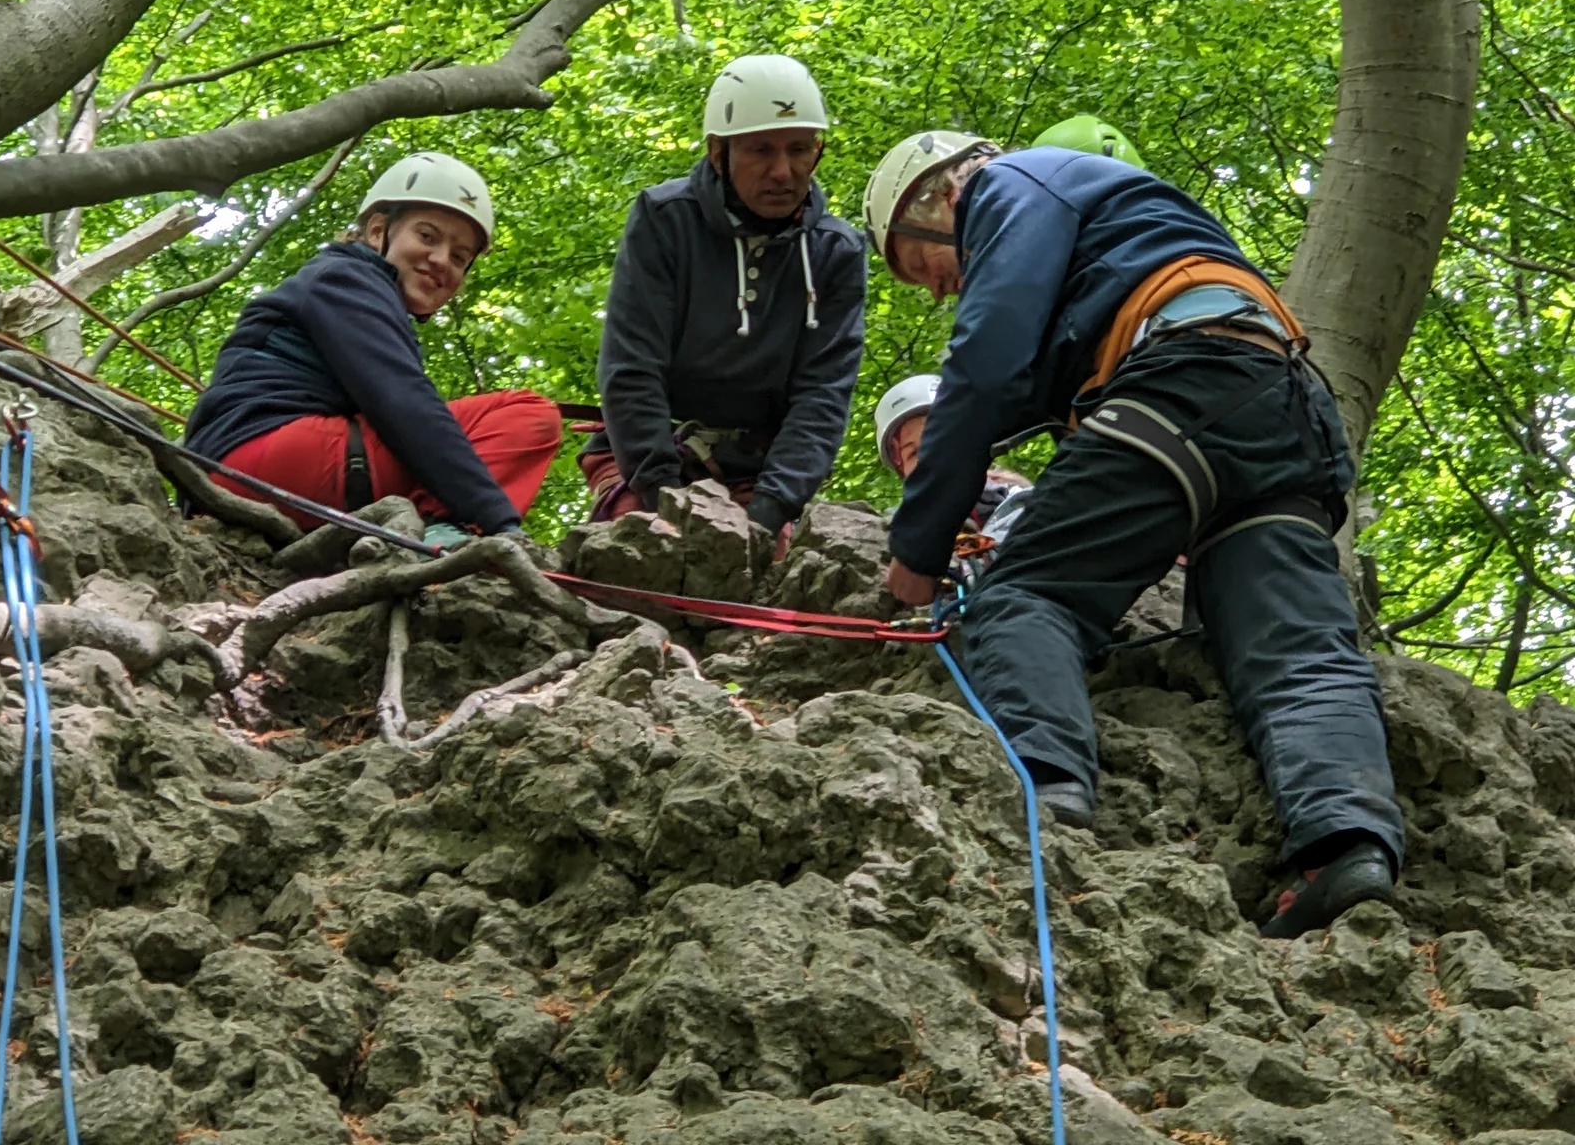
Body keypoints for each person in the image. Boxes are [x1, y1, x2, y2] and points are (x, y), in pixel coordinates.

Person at [863, 125, 1403, 940]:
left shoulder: (1012, 186)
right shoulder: (1109, 221)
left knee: (1029, 591)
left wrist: (916, 554)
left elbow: (982, 368)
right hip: (1287, 412)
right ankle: (1347, 849)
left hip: (1183, 386)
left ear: (936, 198)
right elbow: (1028, 383)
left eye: (920, 266)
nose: (938, 291)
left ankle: (1045, 795)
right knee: (1293, 651)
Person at [184, 151, 562, 547]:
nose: (440, 261)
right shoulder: (346, 278)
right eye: (427, 236)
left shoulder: (353, 291)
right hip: (262, 459)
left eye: (459, 257)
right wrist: (500, 524)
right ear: (378, 232)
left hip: (244, 467)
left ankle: (427, 533)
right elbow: (404, 405)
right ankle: (444, 535)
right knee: (529, 415)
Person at [581, 54, 867, 537]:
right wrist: (661, 495)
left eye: (799, 149)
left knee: (766, 585)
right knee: (637, 557)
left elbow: (822, 398)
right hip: (653, 453)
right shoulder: (665, 221)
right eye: (761, 151)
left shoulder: (835, 252)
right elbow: (631, 366)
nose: (784, 171)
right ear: (719, 153)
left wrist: (769, 513)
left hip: (760, 467)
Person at [874, 372, 1030, 530]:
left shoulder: (1021, 503)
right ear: (903, 472)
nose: (927, 459)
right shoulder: (899, 527)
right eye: (913, 453)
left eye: (938, 444)